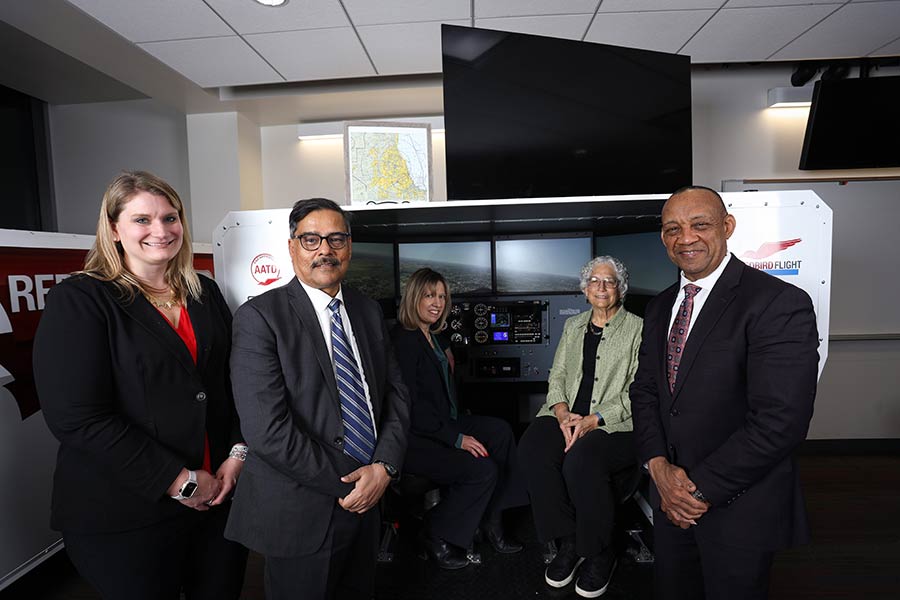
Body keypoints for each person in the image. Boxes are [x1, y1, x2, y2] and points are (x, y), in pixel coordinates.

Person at [33, 171, 248, 600]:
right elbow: (77, 418)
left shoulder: (203, 292)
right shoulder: (81, 300)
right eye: (142, 220)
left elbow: (233, 382)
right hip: (125, 512)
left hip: (218, 499)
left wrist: (237, 453)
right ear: (114, 229)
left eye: (170, 218)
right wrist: (180, 481)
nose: (161, 231)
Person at [630, 186, 819, 600]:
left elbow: (781, 420)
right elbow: (644, 391)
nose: (686, 238)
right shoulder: (659, 307)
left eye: (700, 224)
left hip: (738, 507)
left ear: (727, 226)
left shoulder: (777, 302)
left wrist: (694, 492)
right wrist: (658, 468)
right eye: (673, 229)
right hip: (669, 502)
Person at [224, 198, 410, 600]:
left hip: (369, 499)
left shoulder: (367, 310)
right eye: (311, 239)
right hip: (301, 510)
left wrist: (383, 467)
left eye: (336, 239)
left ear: (349, 247)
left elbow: (395, 393)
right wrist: (354, 480)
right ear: (292, 247)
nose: (325, 249)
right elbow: (266, 430)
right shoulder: (260, 318)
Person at [518, 255, 643, 598]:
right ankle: (570, 541)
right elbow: (557, 374)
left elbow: (639, 390)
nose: (601, 287)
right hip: (567, 413)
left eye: (609, 281)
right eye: (594, 281)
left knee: (581, 460)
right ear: (585, 289)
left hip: (614, 423)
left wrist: (594, 419)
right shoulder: (573, 326)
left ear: (620, 289)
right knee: (532, 451)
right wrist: (561, 414)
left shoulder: (638, 328)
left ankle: (599, 551)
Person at [390, 268, 528, 569]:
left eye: (442, 296)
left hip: (443, 422)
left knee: (501, 432)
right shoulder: (404, 341)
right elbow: (412, 407)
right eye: (429, 295)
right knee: (483, 470)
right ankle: (433, 530)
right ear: (414, 297)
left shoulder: (433, 337)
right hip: (416, 438)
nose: (437, 303)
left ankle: (493, 521)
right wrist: (457, 439)